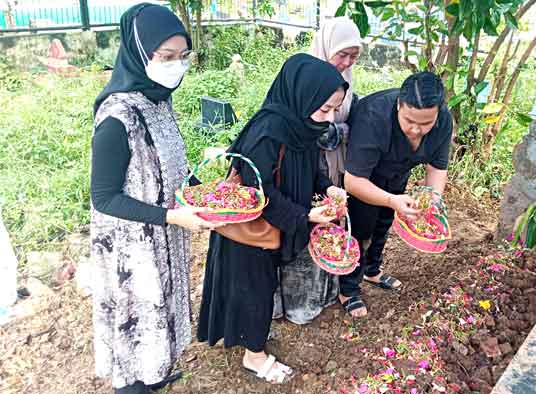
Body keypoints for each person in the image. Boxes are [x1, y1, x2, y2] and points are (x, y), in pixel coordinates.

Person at [90, 4, 222, 394]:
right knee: (138, 324)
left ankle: (156, 371)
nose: (176, 66)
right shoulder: (116, 118)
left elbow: (169, 161)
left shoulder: (158, 100)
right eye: (166, 57)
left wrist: (203, 188)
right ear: (138, 52)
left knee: (162, 312)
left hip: (164, 232)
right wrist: (172, 217)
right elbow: (105, 198)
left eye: (183, 57)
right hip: (132, 248)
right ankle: (134, 386)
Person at [197, 54, 348, 383]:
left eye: (335, 109)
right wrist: (305, 214)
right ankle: (254, 355)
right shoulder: (269, 131)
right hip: (251, 227)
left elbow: (312, 169)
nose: (330, 117)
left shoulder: (303, 125)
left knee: (257, 285)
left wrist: (328, 189)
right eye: (325, 108)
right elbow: (256, 190)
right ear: (301, 94)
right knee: (254, 287)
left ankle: (247, 336)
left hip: (273, 221)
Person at [271, 16, 362, 325]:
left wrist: (328, 183)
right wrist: (335, 132)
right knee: (297, 228)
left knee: (328, 230)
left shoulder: (348, 85)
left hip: (325, 169)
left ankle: (321, 292)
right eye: (342, 54)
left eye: (354, 56)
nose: (347, 62)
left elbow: (353, 125)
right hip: (297, 174)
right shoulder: (301, 80)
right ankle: (292, 302)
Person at [339, 72, 452, 317]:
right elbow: (353, 180)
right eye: (409, 120)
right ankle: (347, 289)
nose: (416, 130)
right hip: (365, 176)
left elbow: (437, 168)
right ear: (398, 104)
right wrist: (390, 199)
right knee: (361, 227)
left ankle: (372, 271)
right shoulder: (373, 116)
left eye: (425, 123)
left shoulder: (443, 120)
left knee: (385, 222)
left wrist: (433, 202)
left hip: (398, 172)